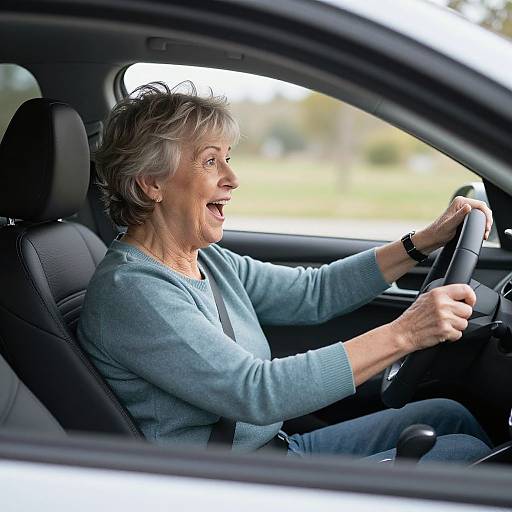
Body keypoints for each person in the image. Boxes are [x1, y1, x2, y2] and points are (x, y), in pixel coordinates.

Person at [78, 82, 493, 463]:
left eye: (228, 159)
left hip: (277, 450)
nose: (233, 178)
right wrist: (407, 332)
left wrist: (422, 241)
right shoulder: (133, 290)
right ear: (152, 182)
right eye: (210, 162)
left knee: (447, 415)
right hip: (225, 484)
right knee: (461, 455)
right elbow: (257, 392)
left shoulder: (207, 259)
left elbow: (316, 292)